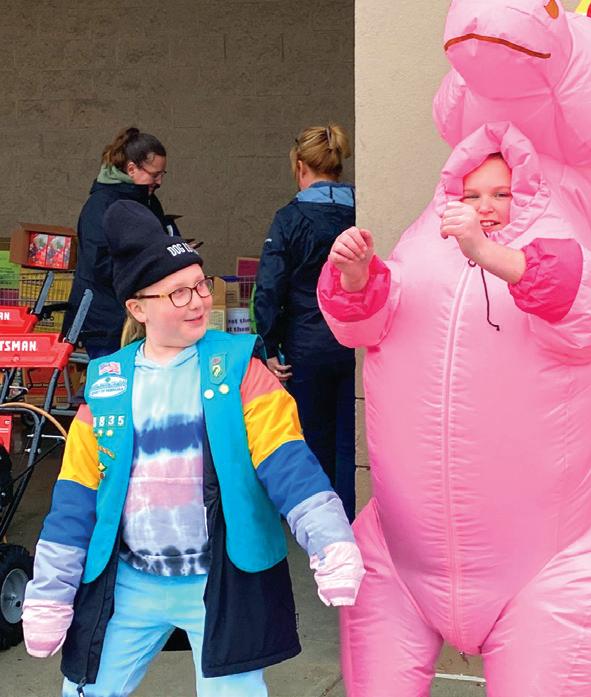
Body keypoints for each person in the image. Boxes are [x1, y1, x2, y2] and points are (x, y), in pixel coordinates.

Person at [318, 124, 591, 697]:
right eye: (471, 194)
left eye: (501, 193)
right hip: (402, 551)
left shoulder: (562, 253)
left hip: (546, 564)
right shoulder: (421, 256)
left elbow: (585, 304)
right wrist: (355, 275)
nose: (484, 206)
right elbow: (361, 326)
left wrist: (487, 252)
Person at [22, 200, 365, 697]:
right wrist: (50, 593)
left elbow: (288, 463)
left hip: (218, 582)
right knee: (85, 689)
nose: (198, 301)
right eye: (178, 292)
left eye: (200, 285)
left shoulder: (240, 369)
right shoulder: (108, 385)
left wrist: (330, 540)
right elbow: (75, 498)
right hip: (131, 582)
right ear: (138, 308)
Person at [254, 124, 358, 521]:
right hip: (357, 342)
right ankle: (353, 520)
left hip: (306, 345)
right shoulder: (361, 210)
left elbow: (269, 287)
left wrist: (268, 346)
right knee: (353, 441)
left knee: (312, 438)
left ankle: (322, 524)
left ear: (300, 167)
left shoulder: (290, 218)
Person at [62, 126, 173, 359]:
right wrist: (145, 272)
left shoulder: (149, 201)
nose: (160, 181)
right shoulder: (99, 206)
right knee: (113, 375)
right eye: (154, 175)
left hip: (136, 313)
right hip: (105, 319)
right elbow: (99, 262)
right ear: (131, 169)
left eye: (163, 174)